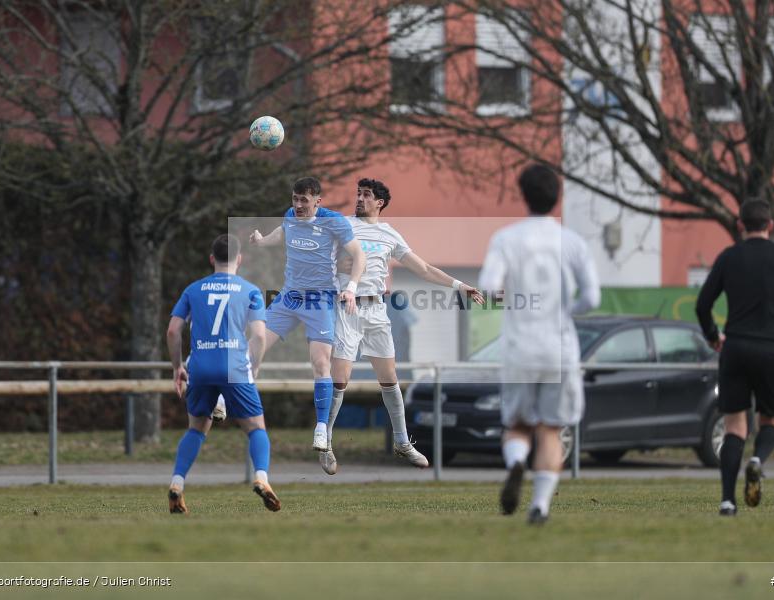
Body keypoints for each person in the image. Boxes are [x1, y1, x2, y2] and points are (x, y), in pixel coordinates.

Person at [321, 178, 485, 475]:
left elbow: (422, 269)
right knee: (340, 379)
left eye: (366, 195)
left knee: (390, 377)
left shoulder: (388, 235)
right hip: (347, 307)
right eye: (358, 194)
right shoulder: (342, 225)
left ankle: (401, 441)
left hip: (376, 309)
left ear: (380, 202)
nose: (359, 199)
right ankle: (327, 444)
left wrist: (460, 285)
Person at [478, 163, 600, 525]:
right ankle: (540, 507)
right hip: (559, 347)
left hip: (519, 346)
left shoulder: (505, 238)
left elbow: (487, 287)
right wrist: (565, 311)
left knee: (517, 425)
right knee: (551, 428)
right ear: (557, 197)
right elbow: (592, 297)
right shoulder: (573, 242)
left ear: (523, 196)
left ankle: (517, 462)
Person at [696, 199, 774, 517]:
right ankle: (757, 461)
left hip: (734, 348)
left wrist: (712, 336)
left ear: (739, 225)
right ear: (771, 225)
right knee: (771, 421)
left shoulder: (728, 257)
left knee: (735, 426)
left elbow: (702, 304)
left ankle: (726, 501)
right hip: (770, 349)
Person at [250, 177, 366, 452]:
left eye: (304, 200)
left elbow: (359, 256)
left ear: (318, 201)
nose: (298, 205)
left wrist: (351, 287)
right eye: (295, 199)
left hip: (320, 299)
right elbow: (283, 230)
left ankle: (322, 428)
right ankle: (226, 400)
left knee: (320, 362)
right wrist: (262, 240)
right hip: (289, 297)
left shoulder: (334, 222)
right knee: (254, 345)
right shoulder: (291, 216)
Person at [166, 234, 279, 514]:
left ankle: (177, 483)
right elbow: (260, 336)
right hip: (235, 367)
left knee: (196, 428)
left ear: (211, 259)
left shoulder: (193, 290)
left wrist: (177, 366)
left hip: (200, 366)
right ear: (240, 259)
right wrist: (254, 366)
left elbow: (172, 331)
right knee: (256, 429)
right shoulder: (250, 290)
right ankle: (261, 478)